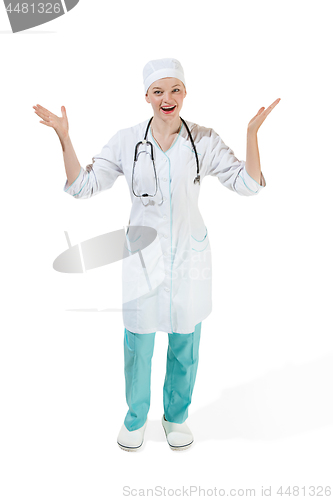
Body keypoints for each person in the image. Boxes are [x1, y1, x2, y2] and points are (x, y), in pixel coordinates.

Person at [33, 58, 280, 452]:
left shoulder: (204, 139)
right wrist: (64, 138)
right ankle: (135, 418)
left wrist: (251, 134)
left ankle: (176, 418)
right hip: (142, 261)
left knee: (186, 343)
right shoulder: (127, 140)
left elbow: (248, 184)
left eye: (175, 90)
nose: (168, 98)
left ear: (185, 94)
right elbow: (83, 187)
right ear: (146, 96)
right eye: (159, 91)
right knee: (138, 345)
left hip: (190, 259)